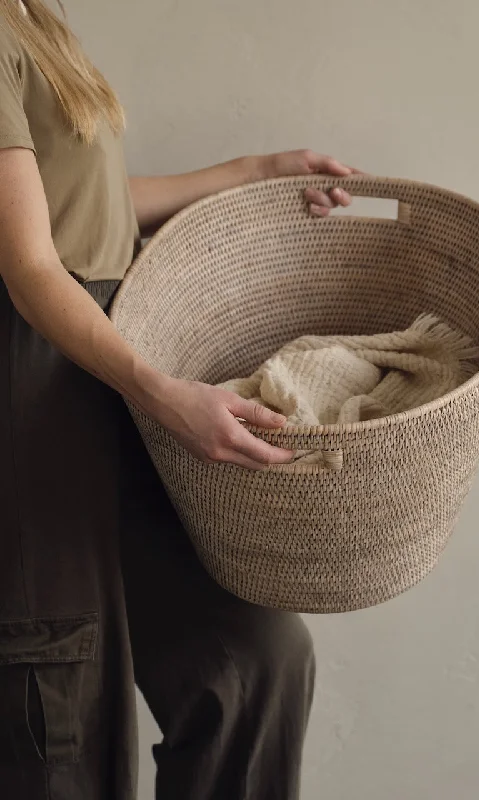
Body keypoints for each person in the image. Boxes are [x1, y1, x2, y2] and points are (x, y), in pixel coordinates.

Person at [0, 1, 358, 798]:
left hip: (100, 354)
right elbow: (28, 266)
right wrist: (158, 391)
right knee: (54, 687)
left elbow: (79, 199)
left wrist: (254, 171)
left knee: (255, 662)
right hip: (34, 374)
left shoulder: (34, 20)